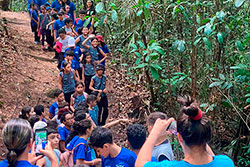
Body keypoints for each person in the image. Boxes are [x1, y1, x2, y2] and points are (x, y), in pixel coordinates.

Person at [135, 96, 235, 167]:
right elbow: (212, 159)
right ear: (207, 135)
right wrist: (198, 131)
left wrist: (154, 133)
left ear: (179, 137)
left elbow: (140, 163)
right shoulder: (226, 162)